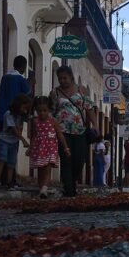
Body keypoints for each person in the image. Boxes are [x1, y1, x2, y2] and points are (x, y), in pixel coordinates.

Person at [51, 66, 93, 197]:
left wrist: (95, 124)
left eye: (65, 78)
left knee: (79, 160)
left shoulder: (82, 91)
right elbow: (51, 112)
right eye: (60, 79)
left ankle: (71, 182)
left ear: (71, 77)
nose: (62, 81)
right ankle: (69, 189)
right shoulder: (55, 93)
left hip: (79, 130)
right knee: (66, 159)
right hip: (61, 131)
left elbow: (89, 109)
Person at [0, 57, 32, 181]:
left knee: (2, 150)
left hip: (1, 116)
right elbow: (27, 94)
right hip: (15, 117)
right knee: (12, 150)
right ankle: (10, 179)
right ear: (23, 67)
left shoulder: (4, 78)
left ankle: (0, 177)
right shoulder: (20, 80)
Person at [27, 96, 66, 198]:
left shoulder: (53, 121)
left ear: (49, 110)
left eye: (45, 110)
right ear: (36, 110)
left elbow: (60, 134)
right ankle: (41, 188)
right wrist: (30, 148)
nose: (42, 113)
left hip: (51, 148)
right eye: (39, 111)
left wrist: (65, 147)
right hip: (39, 149)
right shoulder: (35, 122)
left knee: (47, 168)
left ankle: (45, 188)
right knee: (40, 169)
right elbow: (34, 136)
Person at [0, 94, 31, 189]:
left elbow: (19, 130)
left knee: (12, 162)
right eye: (24, 107)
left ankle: (9, 181)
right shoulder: (8, 114)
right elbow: (14, 130)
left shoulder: (21, 117)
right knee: (3, 158)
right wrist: (23, 140)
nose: (25, 110)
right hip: (5, 140)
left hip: (14, 142)